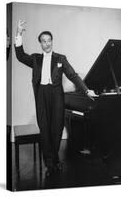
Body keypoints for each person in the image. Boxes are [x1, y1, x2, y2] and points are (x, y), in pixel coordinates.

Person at [14, 20, 94, 177]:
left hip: (57, 96)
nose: (46, 43)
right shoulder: (35, 59)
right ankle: (50, 164)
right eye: (43, 41)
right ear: (40, 44)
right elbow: (20, 55)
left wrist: (86, 90)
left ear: (52, 42)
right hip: (41, 95)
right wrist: (18, 34)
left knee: (56, 129)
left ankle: (54, 160)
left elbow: (72, 75)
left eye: (49, 40)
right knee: (45, 129)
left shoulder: (60, 58)